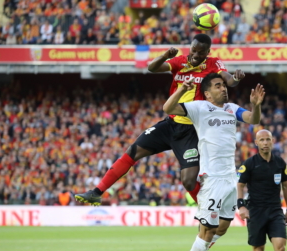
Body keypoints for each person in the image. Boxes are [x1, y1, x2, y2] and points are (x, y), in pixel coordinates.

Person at [74, 34, 245, 206]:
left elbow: (229, 80)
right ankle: (97, 192)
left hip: (191, 129)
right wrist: (164, 56)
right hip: (170, 124)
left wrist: (236, 78)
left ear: (208, 52)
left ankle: (208, 209)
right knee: (133, 151)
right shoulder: (179, 62)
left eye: (201, 52)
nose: (195, 54)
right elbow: (152, 67)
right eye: (194, 49)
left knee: (188, 180)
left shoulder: (213, 64)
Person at [164, 73, 264, 251]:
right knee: (207, 231)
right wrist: (181, 89)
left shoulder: (231, 108)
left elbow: (252, 119)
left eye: (223, 85)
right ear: (207, 93)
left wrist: (256, 106)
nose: (223, 89)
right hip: (212, 179)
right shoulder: (199, 107)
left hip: (230, 177)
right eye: (218, 86)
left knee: (223, 227)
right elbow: (168, 107)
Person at [237, 129, 287, 251]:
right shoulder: (250, 163)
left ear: (273, 141)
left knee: (280, 247)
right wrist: (241, 206)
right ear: (256, 143)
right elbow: (240, 185)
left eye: (268, 139)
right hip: (256, 211)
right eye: (262, 140)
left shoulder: (280, 163)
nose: (265, 142)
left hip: (275, 210)